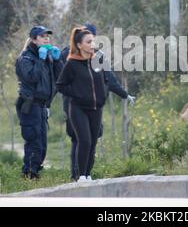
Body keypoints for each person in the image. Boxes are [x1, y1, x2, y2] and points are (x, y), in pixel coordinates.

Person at [57, 27, 133, 183]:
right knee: (84, 140)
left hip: (96, 108)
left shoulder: (99, 58)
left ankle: (87, 173)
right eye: (89, 41)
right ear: (79, 45)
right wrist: (78, 93)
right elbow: (61, 85)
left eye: (94, 40)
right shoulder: (72, 63)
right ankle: (80, 176)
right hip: (78, 107)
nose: (93, 44)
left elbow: (108, 79)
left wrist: (119, 94)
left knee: (93, 141)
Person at [15, 26, 63, 179]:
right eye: (42, 37)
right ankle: (29, 173)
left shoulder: (47, 56)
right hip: (30, 103)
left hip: (42, 105)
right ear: (34, 39)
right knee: (33, 139)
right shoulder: (25, 58)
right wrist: (41, 60)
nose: (46, 39)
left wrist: (57, 61)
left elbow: (60, 77)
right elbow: (32, 78)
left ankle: (35, 171)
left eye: (47, 37)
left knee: (42, 143)